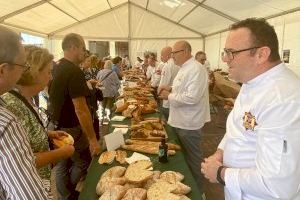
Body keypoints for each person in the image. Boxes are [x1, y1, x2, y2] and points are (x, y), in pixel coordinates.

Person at [201, 18, 300, 200]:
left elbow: (278, 186)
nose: (224, 59)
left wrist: (220, 173)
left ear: (261, 54)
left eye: (231, 53)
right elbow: (237, 128)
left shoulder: (282, 99)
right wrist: (220, 153)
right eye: (225, 52)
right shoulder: (252, 83)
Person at [2, 45, 75, 197]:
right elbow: (23, 161)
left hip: (39, 182)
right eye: (48, 72)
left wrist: (47, 133)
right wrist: (61, 152)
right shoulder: (12, 105)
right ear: (34, 72)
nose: (51, 77)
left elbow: (26, 135)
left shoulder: (24, 99)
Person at [49, 33, 101, 200]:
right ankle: (69, 193)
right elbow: (81, 109)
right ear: (73, 47)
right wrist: (93, 139)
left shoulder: (56, 66)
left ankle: (64, 195)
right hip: (70, 128)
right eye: (83, 49)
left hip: (55, 124)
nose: (85, 53)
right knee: (83, 161)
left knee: (61, 164)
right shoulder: (74, 70)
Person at [0, 25, 49, 199]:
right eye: (23, 65)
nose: (24, 70)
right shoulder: (7, 119)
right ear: (3, 70)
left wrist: (47, 135)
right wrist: (61, 153)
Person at [158, 40, 211, 192]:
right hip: (180, 121)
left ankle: (198, 191)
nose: (172, 56)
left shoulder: (197, 69)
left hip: (189, 123)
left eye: (175, 53)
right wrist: (171, 88)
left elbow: (192, 97)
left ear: (186, 52)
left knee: (194, 160)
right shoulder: (184, 68)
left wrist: (169, 96)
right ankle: (187, 188)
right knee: (184, 158)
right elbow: (183, 88)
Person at [158, 46, 180, 120]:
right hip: (177, 98)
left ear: (167, 55)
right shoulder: (178, 64)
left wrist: (159, 94)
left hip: (168, 100)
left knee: (169, 123)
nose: (161, 57)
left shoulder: (167, 66)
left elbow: (163, 85)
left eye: (162, 55)